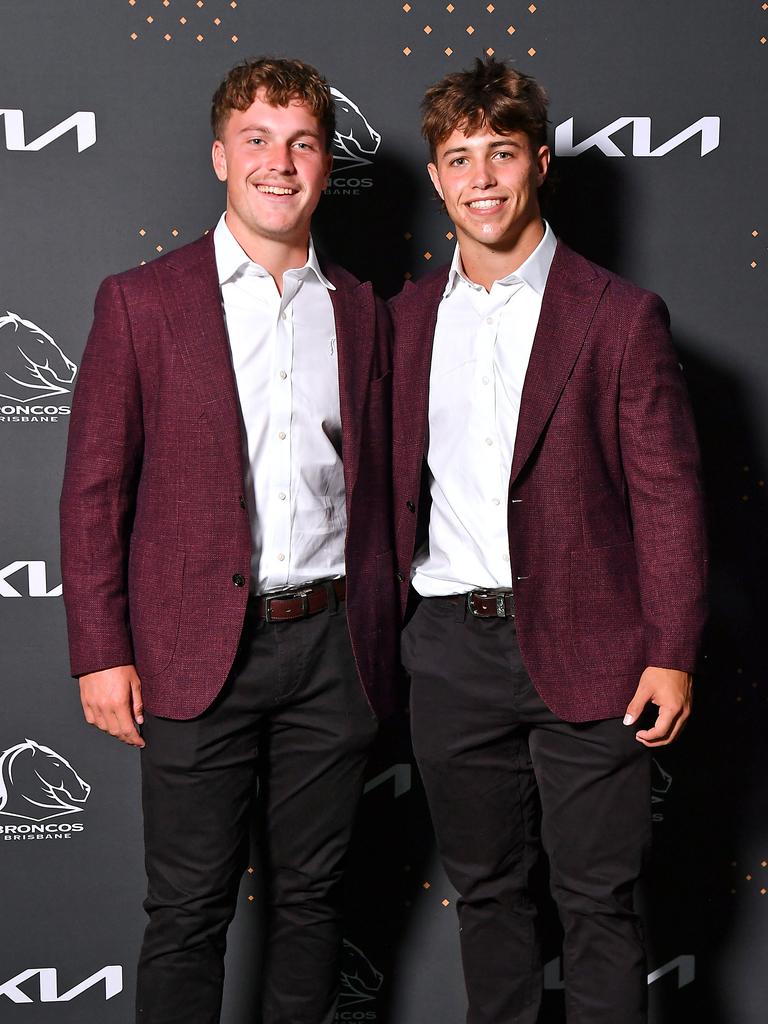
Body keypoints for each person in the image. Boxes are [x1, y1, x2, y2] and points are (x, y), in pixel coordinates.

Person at [60, 57, 398, 1024]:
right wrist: (101, 651)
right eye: (256, 139)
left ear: (326, 165)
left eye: (300, 142)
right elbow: (92, 493)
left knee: (312, 904)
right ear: (219, 157)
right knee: (187, 912)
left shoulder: (363, 311)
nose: (278, 163)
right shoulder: (141, 301)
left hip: (333, 651)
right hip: (191, 647)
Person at [390, 58, 707, 1024]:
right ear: (438, 180)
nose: (481, 178)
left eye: (500, 153)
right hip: (448, 650)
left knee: (599, 904)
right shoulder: (401, 323)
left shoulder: (617, 316)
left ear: (538, 164)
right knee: (486, 899)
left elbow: (669, 498)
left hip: (592, 644)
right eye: (458, 158)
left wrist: (673, 652)